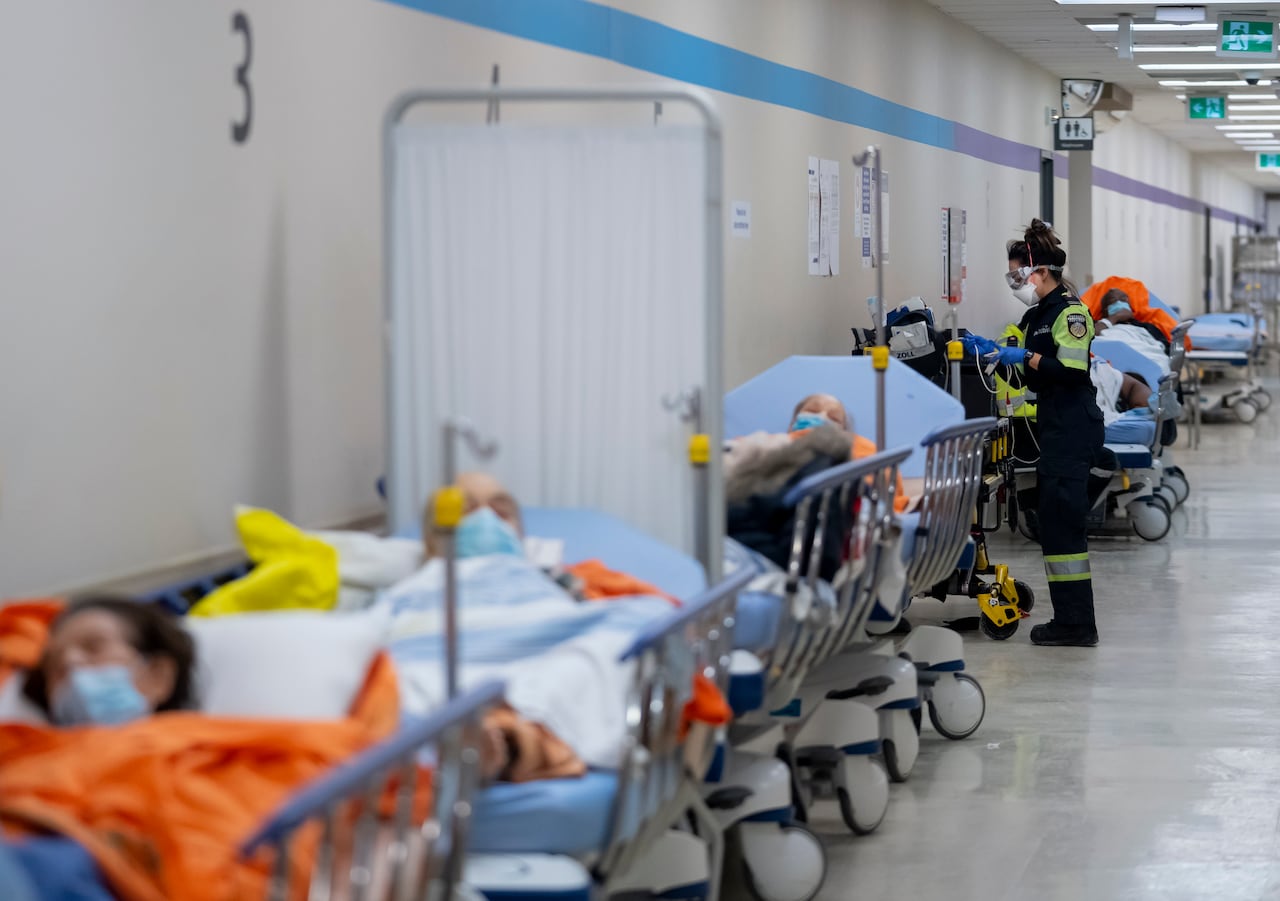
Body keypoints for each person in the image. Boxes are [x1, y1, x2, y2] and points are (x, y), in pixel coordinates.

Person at [963, 219, 1102, 647]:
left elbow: (1072, 369)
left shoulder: (1071, 312)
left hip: (1074, 428)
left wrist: (1024, 355)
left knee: (1063, 528)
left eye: (1018, 274)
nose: (1015, 282)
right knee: (1055, 525)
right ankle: (1071, 619)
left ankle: (1077, 624)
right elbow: (1024, 377)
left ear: (1039, 271)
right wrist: (989, 354)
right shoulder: (1036, 314)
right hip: (1055, 429)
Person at [21, 596, 196, 725]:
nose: (69, 662)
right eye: (54, 666)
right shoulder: (21, 763)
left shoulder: (210, 755)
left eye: (93, 647)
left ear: (157, 675)